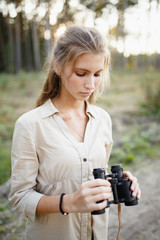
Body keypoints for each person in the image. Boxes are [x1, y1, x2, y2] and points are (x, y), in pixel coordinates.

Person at [9, 25, 141, 240]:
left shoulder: (102, 119)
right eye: (81, 73)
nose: (91, 85)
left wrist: (118, 183)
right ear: (58, 67)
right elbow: (20, 197)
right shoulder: (30, 125)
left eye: (98, 74)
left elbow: (89, 175)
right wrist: (68, 202)